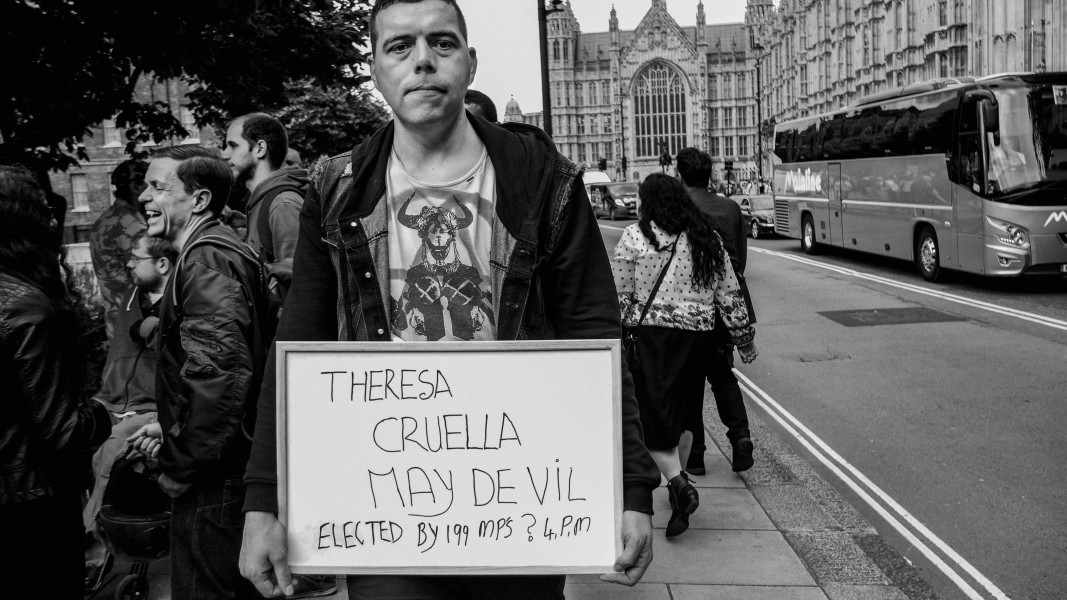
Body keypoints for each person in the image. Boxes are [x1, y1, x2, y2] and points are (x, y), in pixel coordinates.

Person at [239, 0, 660, 598]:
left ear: (469, 62)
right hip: (383, 505)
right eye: (399, 47)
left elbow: (596, 335)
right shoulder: (336, 190)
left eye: (441, 43)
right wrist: (264, 498)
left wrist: (632, 486)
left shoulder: (542, 180)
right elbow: (296, 342)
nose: (422, 63)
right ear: (377, 70)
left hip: (518, 496)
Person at [127, 145, 272, 600]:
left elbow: (221, 381)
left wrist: (181, 466)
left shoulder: (207, 258)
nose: (145, 197)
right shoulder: (213, 251)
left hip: (215, 482)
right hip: (221, 472)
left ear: (200, 200)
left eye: (158, 187)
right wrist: (168, 424)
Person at [612, 173, 757, 538]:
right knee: (686, 412)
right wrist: (743, 338)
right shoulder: (708, 239)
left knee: (650, 418)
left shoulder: (635, 236)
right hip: (698, 340)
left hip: (652, 339)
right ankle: (681, 488)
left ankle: (679, 484)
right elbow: (730, 293)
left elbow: (620, 295)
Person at [0, 165, 113, 598]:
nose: (52, 220)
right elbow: (62, 431)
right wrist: (104, 416)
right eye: (43, 210)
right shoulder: (23, 306)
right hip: (29, 504)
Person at [82, 231, 174, 593]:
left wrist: (155, 326)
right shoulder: (132, 293)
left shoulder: (184, 297)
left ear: (163, 264)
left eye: (137, 258)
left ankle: (93, 550)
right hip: (111, 398)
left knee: (108, 453)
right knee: (68, 437)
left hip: (151, 405)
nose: (129, 263)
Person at [675, 148, 755, 474]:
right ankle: (740, 438)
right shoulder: (731, 209)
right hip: (725, 307)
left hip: (689, 310)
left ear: (680, 176)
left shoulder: (677, 212)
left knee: (689, 383)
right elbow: (740, 263)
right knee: (723, 376)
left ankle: (694, 458)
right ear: (710, 175)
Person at [90, 158, 149, 340]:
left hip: (116, 321)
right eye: (152, 184)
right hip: (136, 321)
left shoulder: (104, 220)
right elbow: (147, 274)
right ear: (137, 187)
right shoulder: (131, 225)